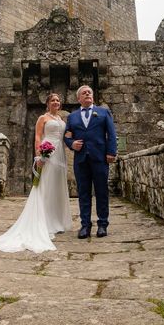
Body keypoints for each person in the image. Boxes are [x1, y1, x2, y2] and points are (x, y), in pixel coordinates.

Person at [0, 93, 72, 253]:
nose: (56, 102)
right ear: (47, 103)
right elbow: (38, 137)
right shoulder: (42, 118)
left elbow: (65, 137)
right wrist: (39, 155)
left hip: (60, 155)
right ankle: (43, 222)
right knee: (45, 187)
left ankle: (56, 222)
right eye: (53, 100)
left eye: (58, 100)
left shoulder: (61, 120)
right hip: (48, 154)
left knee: (57, 188)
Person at [64, 85, 117, 239]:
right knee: (83, 192)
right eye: (83, 93)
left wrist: (111, 152)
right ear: (78, 98)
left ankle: (102, 224)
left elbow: (111, 133)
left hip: (100, 158)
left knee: (101, 191)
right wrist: (71, 144)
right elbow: (67, 136)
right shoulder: (72, 117)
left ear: (92, 97)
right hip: (81, 159)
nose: (87, 93)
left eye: (89, 92)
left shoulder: (103, 112)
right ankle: (85, 225)